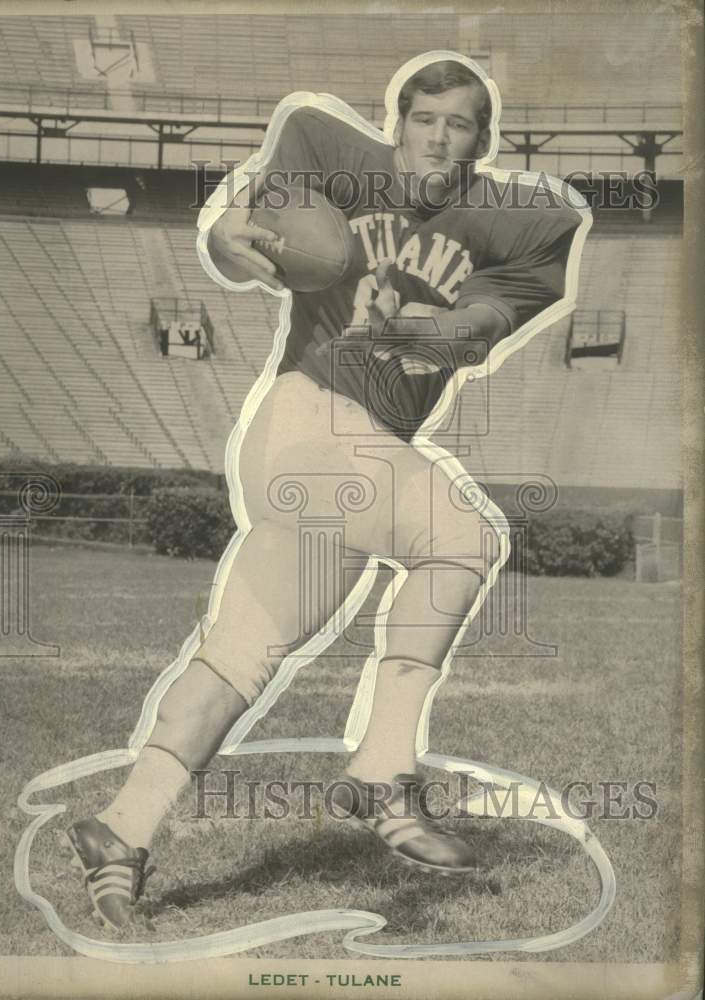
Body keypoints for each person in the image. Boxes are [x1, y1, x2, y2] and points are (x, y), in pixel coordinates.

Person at [65, 54, 585, 930]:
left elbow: (484, 323)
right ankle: (383, 770)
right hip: (306, 419)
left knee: (240, 655)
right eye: (424, 119)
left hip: (363, 456)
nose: (438, 137)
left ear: (482, 143)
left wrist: (431, 327)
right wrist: (226, 233)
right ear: (398, 124)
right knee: (464, 537)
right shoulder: (333, 151)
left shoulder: (520, 223)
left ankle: (121, 832)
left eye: (459, 125)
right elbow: (260, 210)